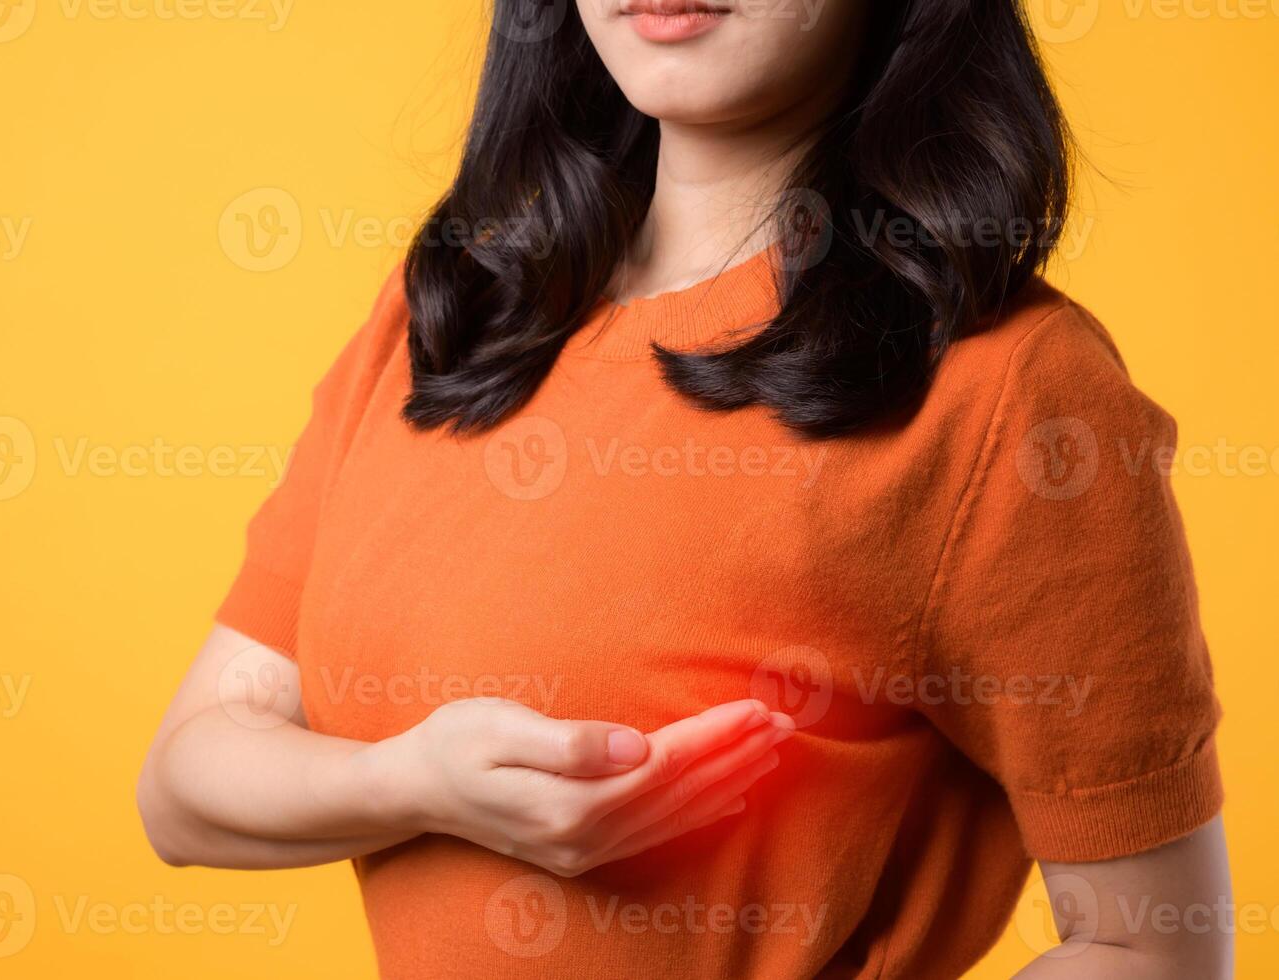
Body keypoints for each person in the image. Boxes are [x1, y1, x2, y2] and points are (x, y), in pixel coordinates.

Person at [138, 1, 1232, 976]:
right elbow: (184, 786)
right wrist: (416, 782)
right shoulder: (455, 313)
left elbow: (1152, 945)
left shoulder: (1009, 390)